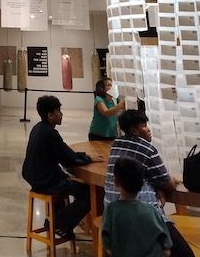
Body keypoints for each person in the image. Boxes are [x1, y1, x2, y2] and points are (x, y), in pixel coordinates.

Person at [104, 109, 194, 257]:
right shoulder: (147, 149)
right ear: (134, 130)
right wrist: (163, 183)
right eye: (144, 126)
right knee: (184, 254)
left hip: (115, 215)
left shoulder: (116, 144)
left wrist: (153, 184)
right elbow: (168, 184)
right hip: (141, 216)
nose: (149, 130)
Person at [22, 95, 105, 239]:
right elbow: (68, 159)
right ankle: (59, 221)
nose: (61, 114)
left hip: (34, 177)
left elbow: (64, 152)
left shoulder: (38, 128)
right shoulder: (50, 133)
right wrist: (88, 158)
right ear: (50, 115)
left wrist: (83, 156)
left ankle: (57, 221)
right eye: (58, 111)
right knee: (90, 194)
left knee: (70, 183)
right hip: (46, 181)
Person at [102, 156, 172, 257]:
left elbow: (107, 246)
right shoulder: (152, 211)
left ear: (115, 182)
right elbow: (166, 249)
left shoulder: (111, 211)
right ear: (142, 183)